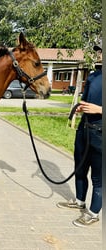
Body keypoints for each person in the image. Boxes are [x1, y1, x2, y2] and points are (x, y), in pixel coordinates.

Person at [56, 42, 102, 227]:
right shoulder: (92, 76)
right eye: (98, 50)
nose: (98, 53)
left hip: (100, 133)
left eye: (101, 50)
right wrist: (79, 107)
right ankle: (79, 201)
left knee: (98, 177)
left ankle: (93, 213)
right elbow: (85, 100)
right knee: (80, 169)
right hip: (84, 129)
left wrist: (100, 109)